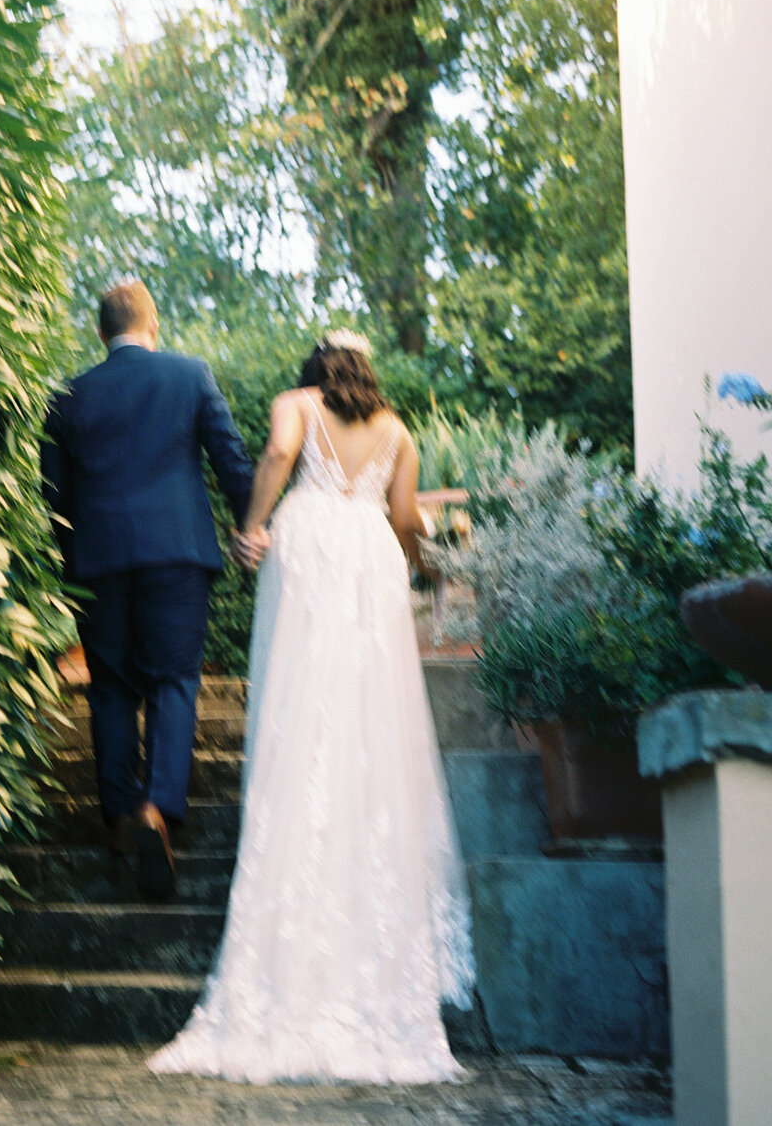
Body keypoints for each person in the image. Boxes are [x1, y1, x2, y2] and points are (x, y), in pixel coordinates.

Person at [148, 329, 475, 1083]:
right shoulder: (398, 429)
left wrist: (251, 524)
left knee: (298, 712)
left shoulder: (294, 403)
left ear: (315, 367)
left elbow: (274, 458)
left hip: (310, 546)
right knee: (370, 722)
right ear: (365, 369)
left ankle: (287, 925)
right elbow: (402, 519)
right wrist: (420, 563)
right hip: (368, 556)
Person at [40, 280, 257, 900]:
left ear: (100, 332)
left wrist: (71, 563)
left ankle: (116, 817)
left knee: (110, 686)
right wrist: (256, 526)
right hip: (177, 552)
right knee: (172, 681)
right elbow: (232, 460)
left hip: (99, 561)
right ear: (153, 324)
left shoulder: (67, 395)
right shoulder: (191, 376)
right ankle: (159, 808)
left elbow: (53, 496)